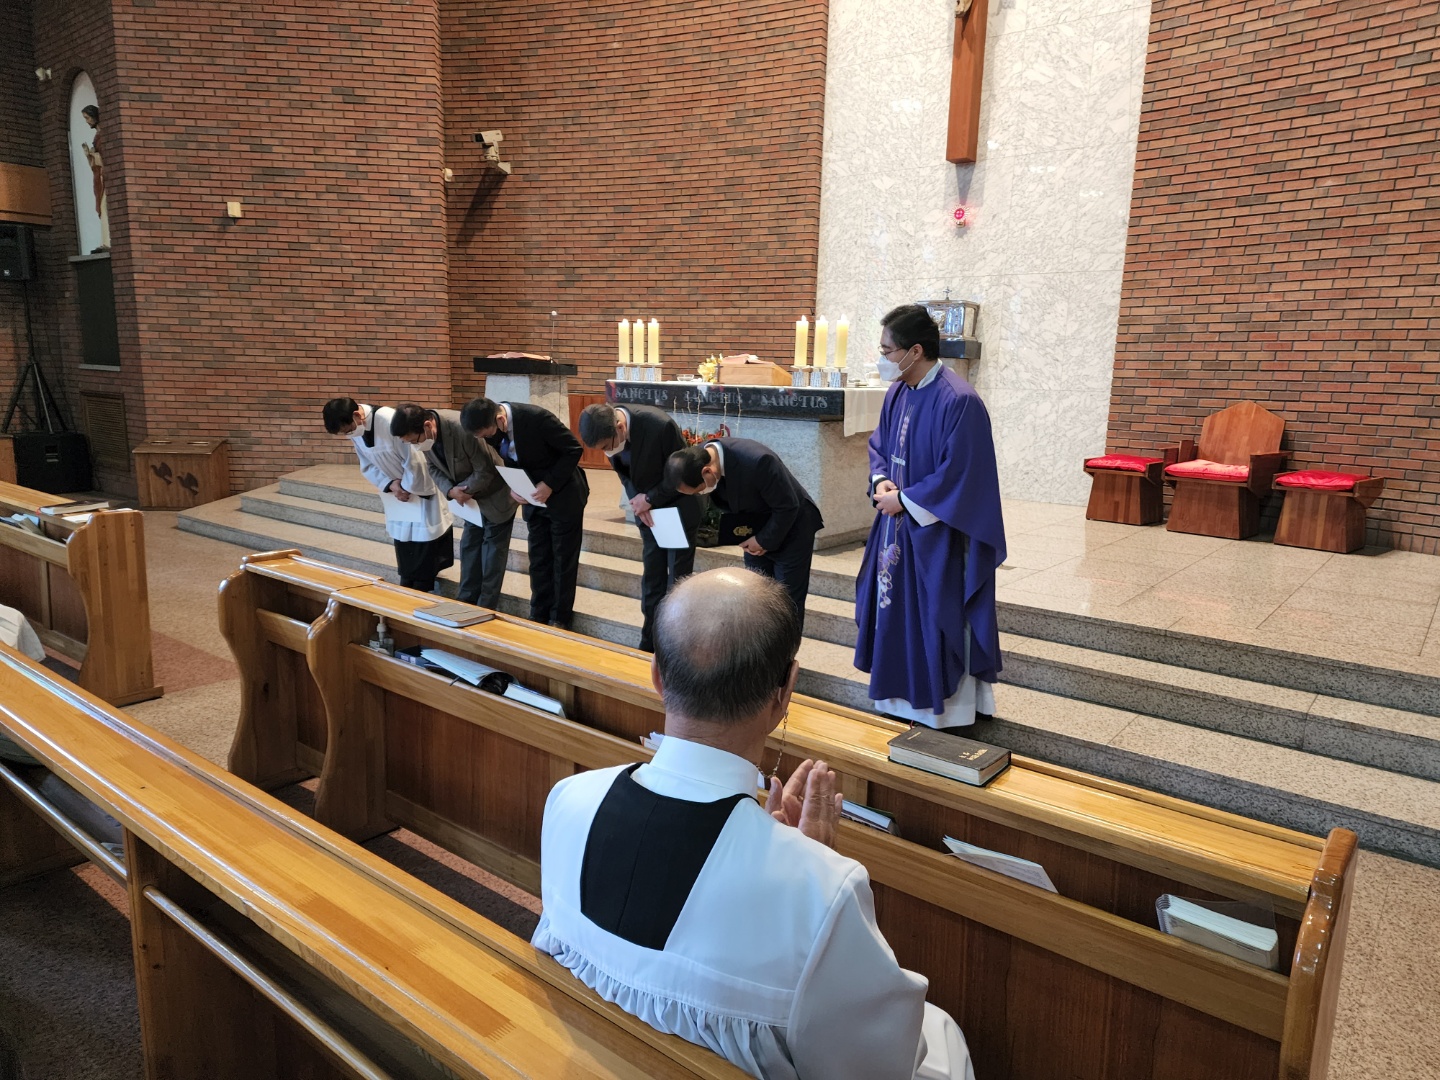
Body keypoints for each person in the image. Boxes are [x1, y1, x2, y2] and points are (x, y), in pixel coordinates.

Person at [532, 568, 975, 1080]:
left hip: (580, 1054)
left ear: (656, 675)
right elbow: (874, 1068)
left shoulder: (570, 798)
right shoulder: (820, 886)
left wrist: (789, 860)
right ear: (785, 692)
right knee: (944, 1035)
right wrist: (811, 869)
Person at [853, 304, 1006, 731]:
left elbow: (964, 474)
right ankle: (899, 698)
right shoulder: (899, 391)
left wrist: (906, 500)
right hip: (895, 527)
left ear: (915, 351)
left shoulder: (959, 401)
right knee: (893, 612)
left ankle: (947, 707)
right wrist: (881, 479)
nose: (882, 359)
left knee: (935, 613)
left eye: (887, 350)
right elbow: (880, 445)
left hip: (939, 534)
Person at [459, 396, 589, 630]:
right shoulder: (491, 428)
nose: (487, 438)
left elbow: (573, 449)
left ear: (500, 418)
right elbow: (509, 455)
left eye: (487, 434)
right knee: (538, 558)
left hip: (563, 495)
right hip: (532, 498)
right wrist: (515, 485)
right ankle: (538, 612)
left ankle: (559, 618)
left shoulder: (537, 418)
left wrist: (549, 484)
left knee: (562, 559)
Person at [665, 437, 823, 629]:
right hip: (755, 528)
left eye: (699, 490)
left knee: (787, 602)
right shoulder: (694, 460)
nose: (701, 494)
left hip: (794, 527)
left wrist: (763, 540)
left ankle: (786, 649)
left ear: (707, 471)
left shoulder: (758, 460)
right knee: (756, 596)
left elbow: (788, 507)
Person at [578, 402, 698, 652]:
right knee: (652, 579)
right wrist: (638, 502)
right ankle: (649, 641)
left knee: (677, 582)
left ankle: (676, 645)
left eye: (606, 446)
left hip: (677, 507)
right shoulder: (608, 433)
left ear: (620, 427)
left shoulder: (660, 426)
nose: (607, 452)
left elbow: (682, 475)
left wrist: (649, 499)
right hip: (648, 512)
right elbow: (624, 474)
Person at [390, 403, 516, 611]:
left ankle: (485, 608)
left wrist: (462, 490)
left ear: (428, 425)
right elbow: (433, 467)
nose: (415, 446)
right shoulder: (425, 438)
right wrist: (450, 490)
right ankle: (465, 602)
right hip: (468, 500)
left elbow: (486, 470)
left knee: (492, 555)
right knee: (469, 547)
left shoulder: (461, 429)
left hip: (495, 495)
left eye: (414, 441)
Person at [322, 397, 453, 593]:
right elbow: (366, 464)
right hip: (397, 495)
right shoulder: (356, 430)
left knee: (424, 539)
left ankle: (422, 585)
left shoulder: (389, 420)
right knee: (403, 540)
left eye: (348, 430)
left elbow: (415, 459)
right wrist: (390, 485)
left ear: (357, 415)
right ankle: (408, 580)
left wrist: (406, 486)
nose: (349, 434)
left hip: (418, 489)